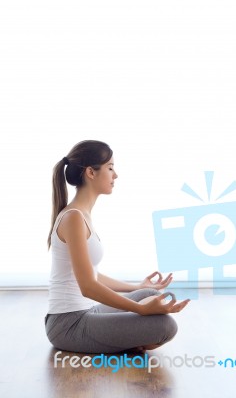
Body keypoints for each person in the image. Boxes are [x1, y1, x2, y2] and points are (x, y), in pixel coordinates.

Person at [44, 140, 190, 354]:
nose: (116, 175)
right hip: (68, 325)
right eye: (110, 168)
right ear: (90, 173)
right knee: (166, 327)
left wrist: (136, 288)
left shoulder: (81, 214)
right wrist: (140, 309)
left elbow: (92, 275)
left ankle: (124, 336)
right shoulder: (73, 217)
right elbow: (88, 287)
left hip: (87, 311)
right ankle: (126, 339)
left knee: (148, 292)